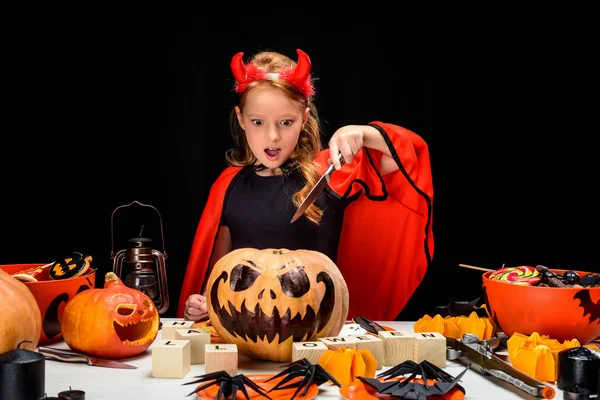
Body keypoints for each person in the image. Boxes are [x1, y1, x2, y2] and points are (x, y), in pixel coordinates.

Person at [176, 48, 434, 322]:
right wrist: (201, 303)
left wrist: (362, 133)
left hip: (315, 328)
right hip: (244, 330)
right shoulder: (228, 185)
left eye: (286, 122)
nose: (272, 136)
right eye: (258, 122)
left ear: (304, 119)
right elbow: (217, 275)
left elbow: (408, 160)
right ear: (241, 119)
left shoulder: (330, 171)